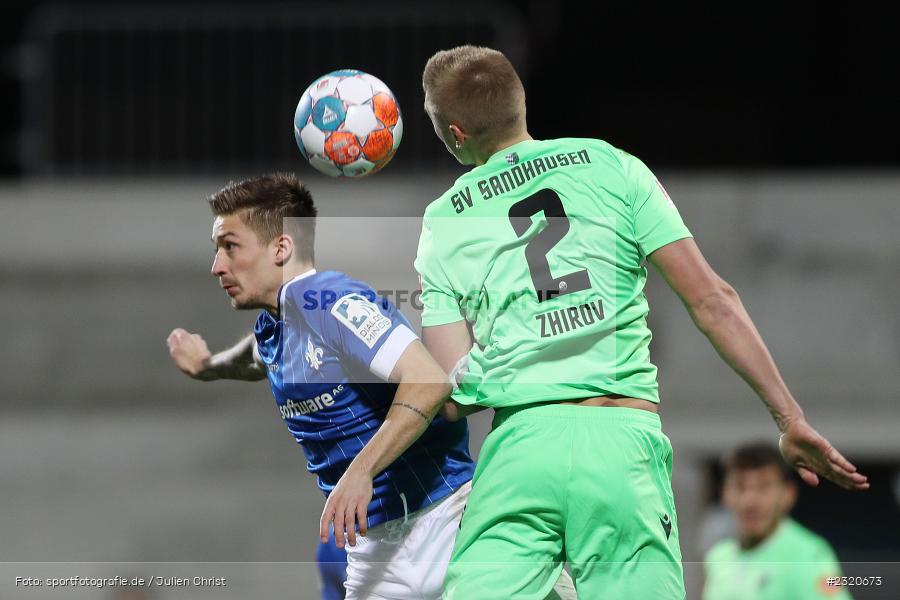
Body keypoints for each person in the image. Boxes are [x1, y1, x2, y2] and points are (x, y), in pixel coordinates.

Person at [320, 45, 868, 600]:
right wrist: (788, 416)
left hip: (521, 454)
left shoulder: (444, 221)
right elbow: (713, 301)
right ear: (522, 103)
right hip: (620, 443)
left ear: (455, 135)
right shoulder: (613, 164)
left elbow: (451, 393)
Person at [167, 173, 575, 600]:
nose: (217, 265)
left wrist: (359, 471)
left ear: (281, 247)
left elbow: (427, 381)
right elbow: (254, 358)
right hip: (376, 553)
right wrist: (207, 366)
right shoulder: (276, 327)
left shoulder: (330, 301)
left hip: (450, 522)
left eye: (229, 246)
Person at [703, 442, 852, 599]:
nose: (750, 500)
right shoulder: (718, 558)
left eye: (764, 487)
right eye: (740, 486)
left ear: (788, 494)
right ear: (725, 494)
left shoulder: (811, 556)